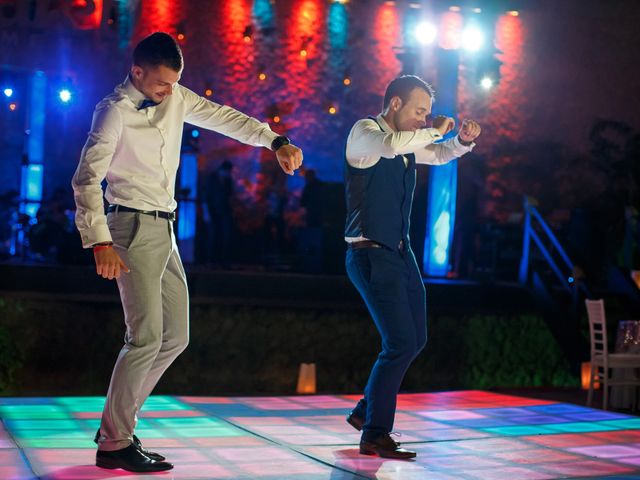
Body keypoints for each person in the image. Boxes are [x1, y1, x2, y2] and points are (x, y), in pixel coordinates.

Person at [71, 32, 302, 472]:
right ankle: (115, 442)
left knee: (176, 337)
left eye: (173, 83)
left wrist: (276, 140)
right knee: (144, 338)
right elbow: (85, 180)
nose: (167, 91)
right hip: (130, 226)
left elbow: (225, 117)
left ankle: (115, 428)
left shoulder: (175, 96)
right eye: (160, 83)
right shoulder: (113, 111)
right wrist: (99, 240)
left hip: (165, 226)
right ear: (137, 72)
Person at [343, 75, 481, 459]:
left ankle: (365, 412)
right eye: (420, 111)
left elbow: (435, 155)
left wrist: (460, 143)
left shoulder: (408, 143)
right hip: (369, 253)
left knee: (415, 339)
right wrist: (434, 131)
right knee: (399, 343)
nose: (424, 119)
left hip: (401, 255)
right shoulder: (366, 133)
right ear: (396, 105)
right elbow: (391, 145)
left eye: (428, 113)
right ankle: (374, 433)